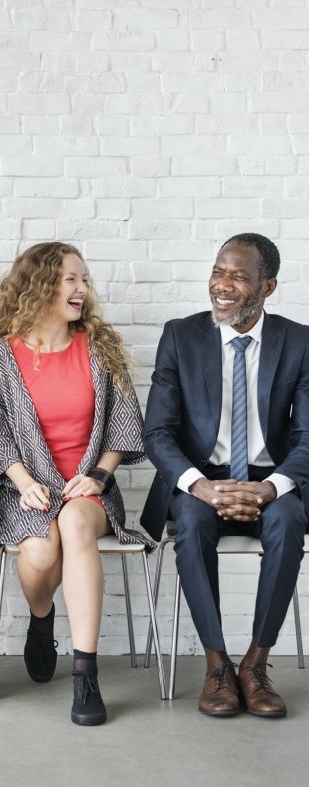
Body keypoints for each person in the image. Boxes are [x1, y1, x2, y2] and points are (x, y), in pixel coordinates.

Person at [0, 242, 148, 726]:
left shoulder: (98, 348)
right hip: (24, 486)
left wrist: (96, 475)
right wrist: (23, 480)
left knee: (73, 523)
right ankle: (40, 618)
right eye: (70, 278)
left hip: (87, 489)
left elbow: (124, 425)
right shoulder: (1, 357)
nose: (82, 288)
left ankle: (84, 674)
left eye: (84, 280)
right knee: (40, 552)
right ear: (40, 285)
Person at [141, 233, 309, 719]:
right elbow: (157, 431)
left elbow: (306, 436)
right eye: (218, 272)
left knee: (287, 520)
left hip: (270, 479)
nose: (222, 285)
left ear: (268, 286)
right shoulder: (181, 335)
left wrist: (270, 487)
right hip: (202, 477)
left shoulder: (298, 342)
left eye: (238, 276)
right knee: (190, 524)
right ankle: (217, 664)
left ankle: (255, 664)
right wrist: (199, 485)